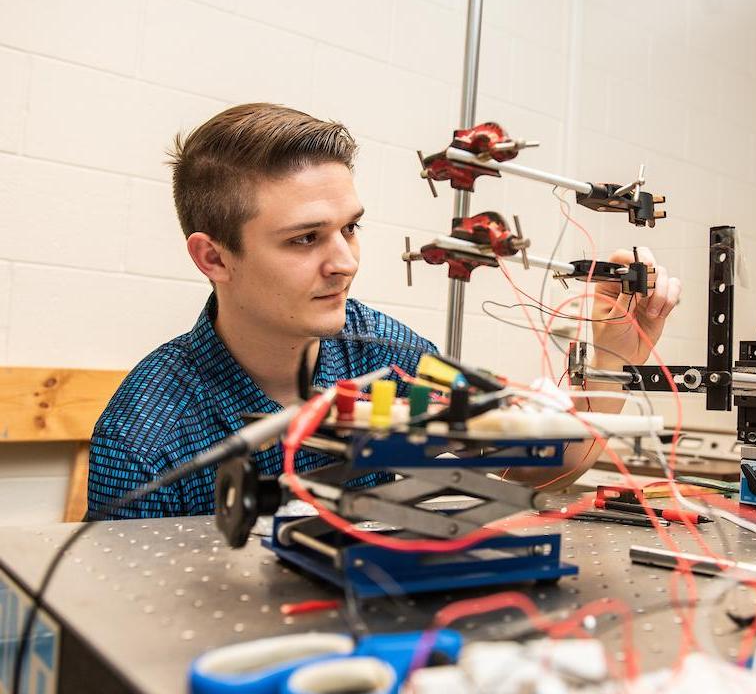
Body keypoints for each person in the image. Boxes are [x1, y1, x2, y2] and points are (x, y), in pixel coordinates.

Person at [88, 103, 681, 519]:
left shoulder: (388, 351)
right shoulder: (146, 438)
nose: (344, 262)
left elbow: (534, 466)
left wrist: (609, 364)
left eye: (351, 228)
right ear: (214, 258)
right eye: (304, 239)